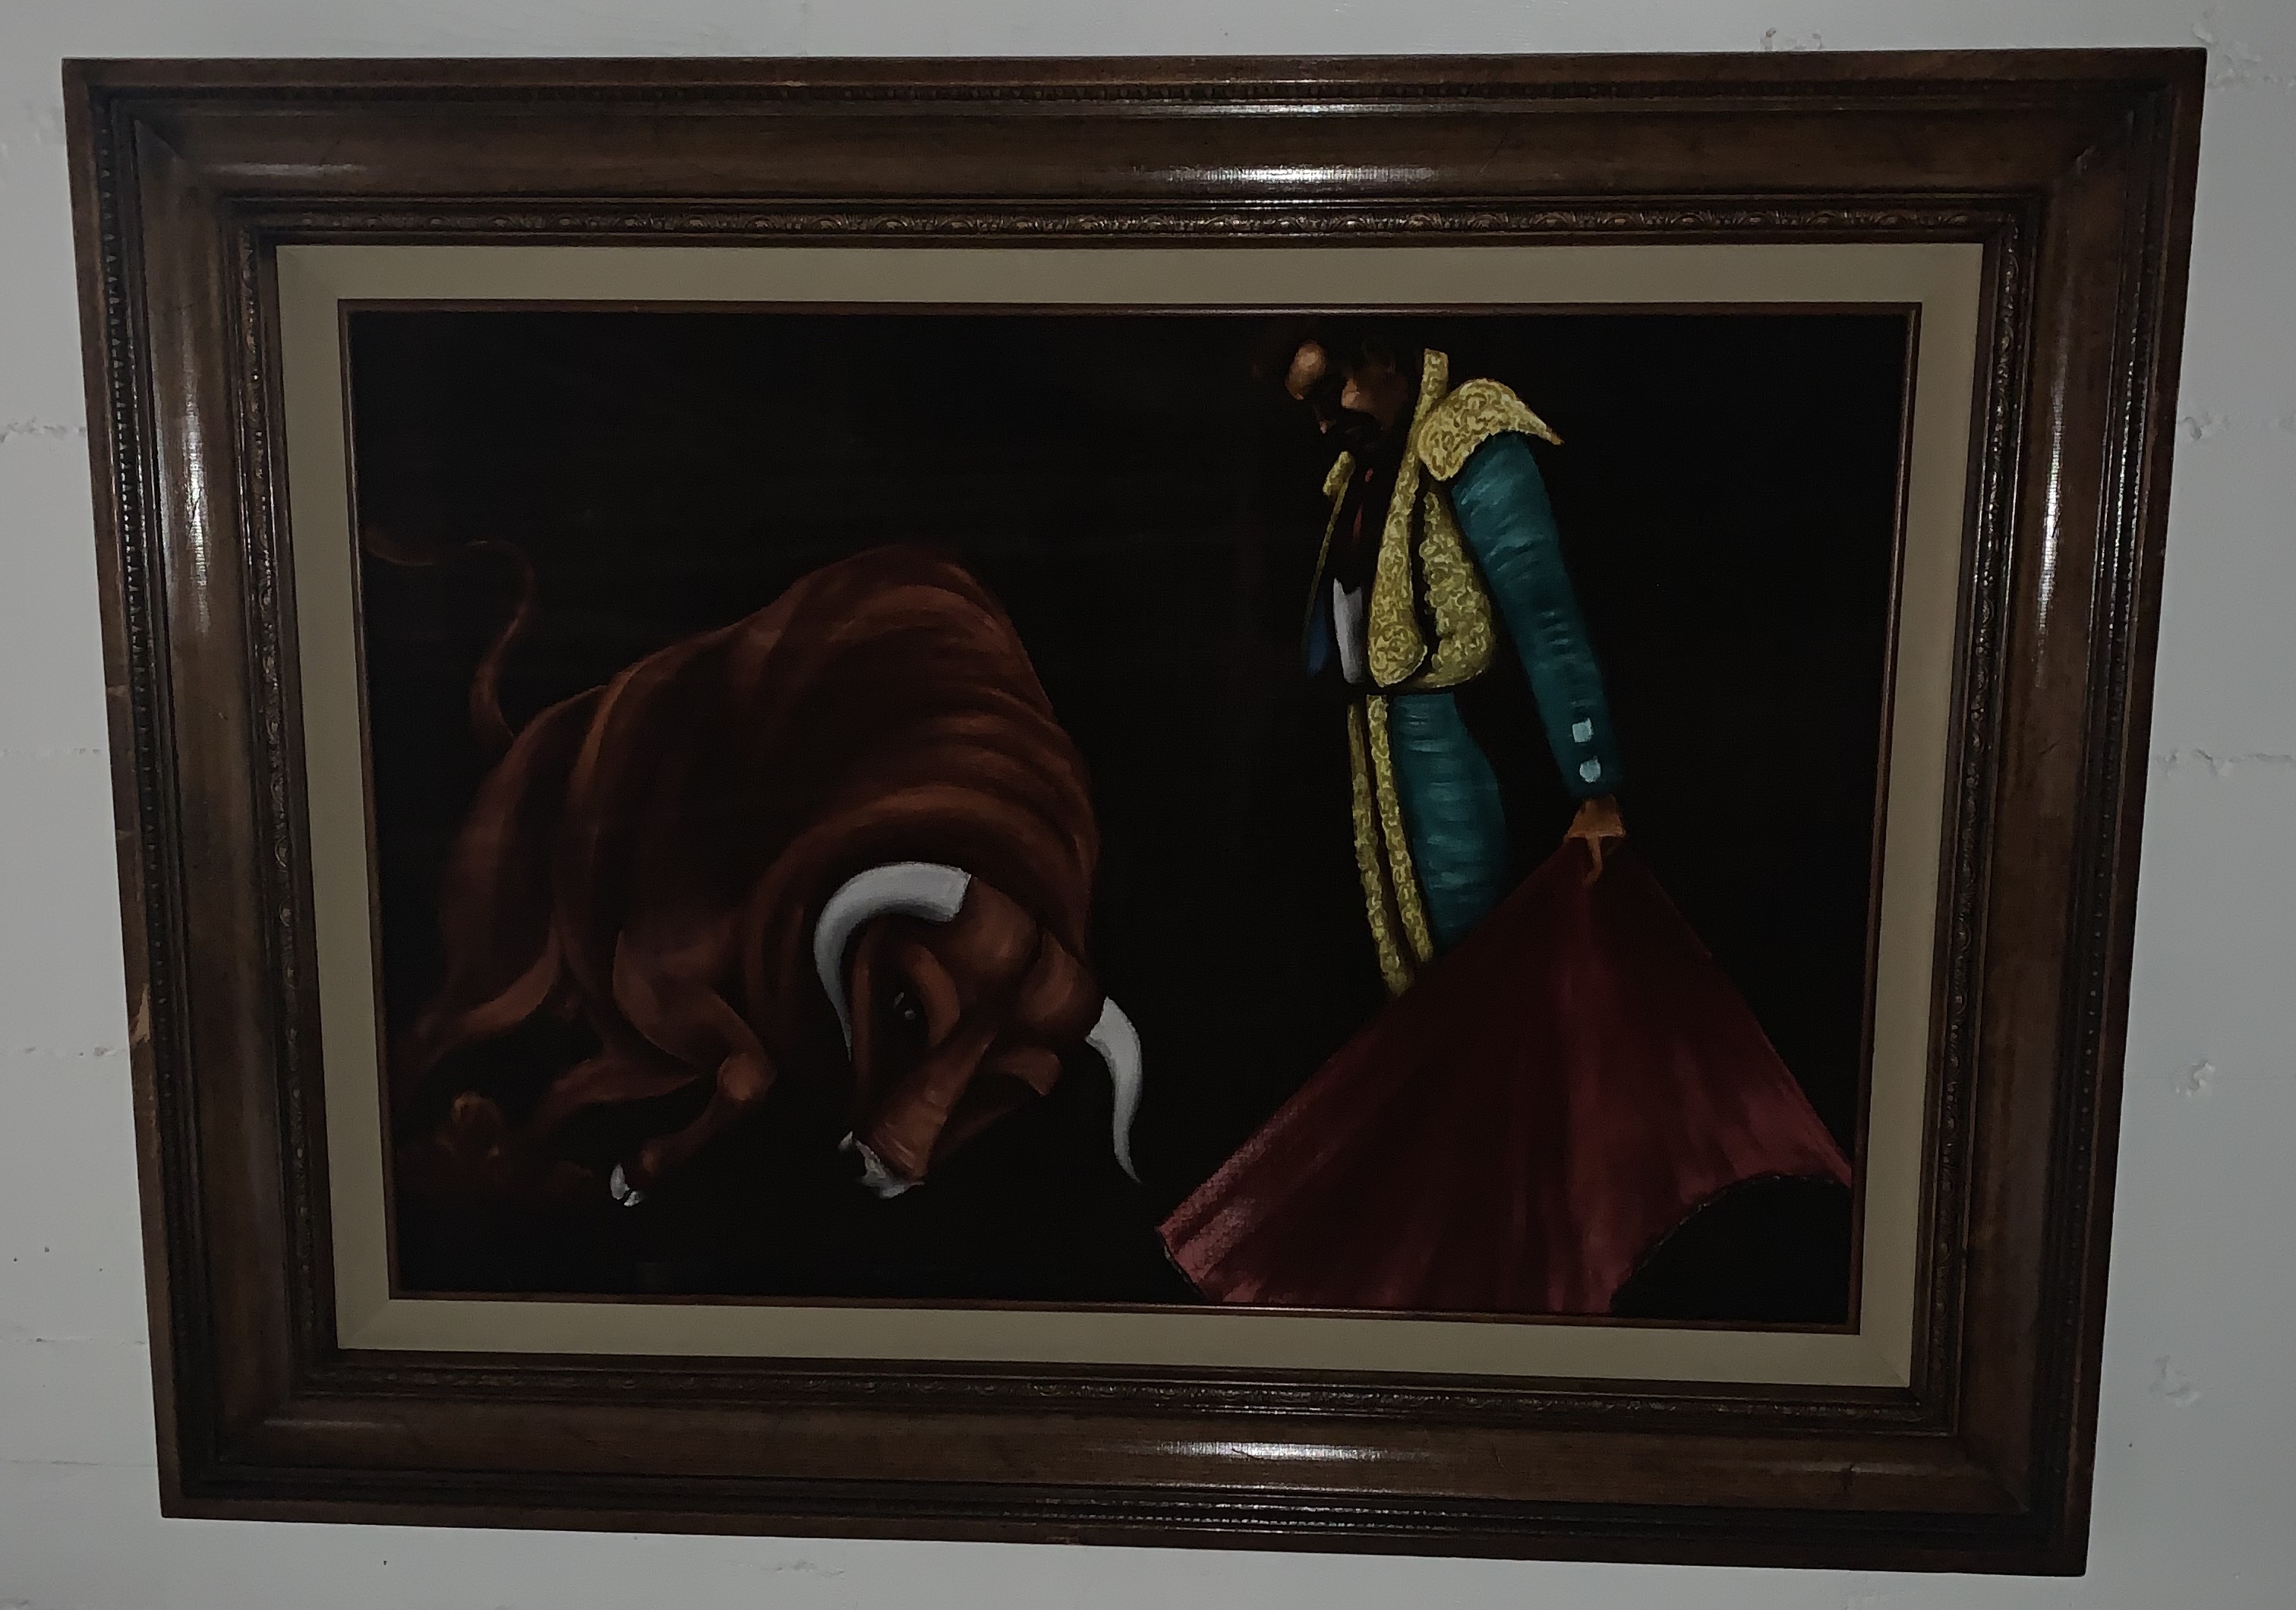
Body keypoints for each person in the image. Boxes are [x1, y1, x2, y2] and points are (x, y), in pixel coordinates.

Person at [1157, 323, 1855, 1320]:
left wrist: (1593, 785)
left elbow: (1546, 618)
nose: (1325, 422)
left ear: (1385, 353)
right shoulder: (1362, 466)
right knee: (1413, 1022)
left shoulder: (1472, 438)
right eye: (1307, 405)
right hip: (1372, 772)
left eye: (1334, 389)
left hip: (1464, 759)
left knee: (1484, 1008)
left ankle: (1516, 1264)